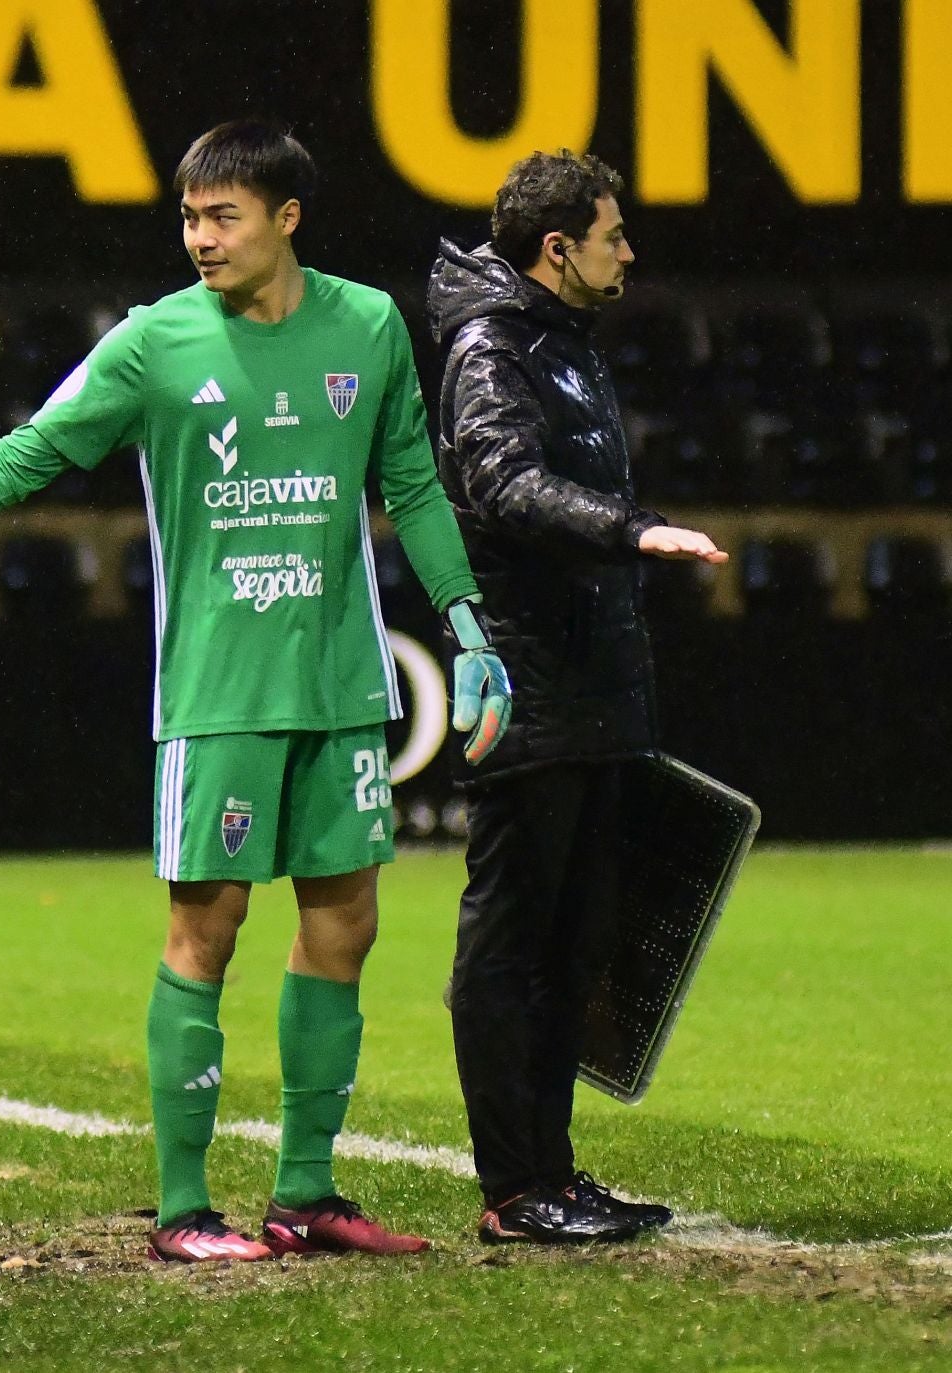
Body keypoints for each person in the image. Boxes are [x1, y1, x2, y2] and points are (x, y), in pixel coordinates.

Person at [0, 121, 512, 1262]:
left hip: (342, 681)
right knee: (208, 927)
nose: (200, 238)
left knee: (345, 923)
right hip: (218, 688)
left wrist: (468, 623)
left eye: (222, 215)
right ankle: (185, 1209)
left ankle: (307, 1193)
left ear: (287, 217)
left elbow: (413, 483)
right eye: (189, 217)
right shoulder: (153, 343)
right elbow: (28, 453)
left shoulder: (371, 325)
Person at [428, 151, 727, 1244]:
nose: (630, 250)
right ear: (559, 249)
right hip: (529, 686)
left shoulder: (562, 343)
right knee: (515, 940)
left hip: (593, 683)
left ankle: (551, 1172)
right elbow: (502, 483)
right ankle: (515, 1188)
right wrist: (628, 528)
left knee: (576, 944)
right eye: (614, 233)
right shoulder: (491, 344)